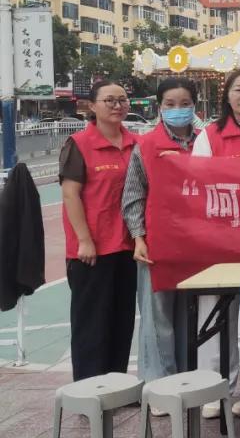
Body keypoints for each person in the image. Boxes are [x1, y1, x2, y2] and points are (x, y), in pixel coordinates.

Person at [191, 69, 240, 418]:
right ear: (227, 95)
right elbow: (196, 181)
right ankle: (213, 388)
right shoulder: (210, 136)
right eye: (238, 90)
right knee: (215, 311)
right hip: (221, 235)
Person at [122, 77, 200, 406]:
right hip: (158, 242)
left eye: (185, 104)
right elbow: (133, 196)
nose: (178, 109)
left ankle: (188, 380)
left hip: (199, 243)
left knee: (191, 314)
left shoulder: (206, 142)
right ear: (159, 107)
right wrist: (138, 237)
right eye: (170, 104)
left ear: (195, 105)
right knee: (158, 317)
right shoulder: (147, 145)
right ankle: (158, 388)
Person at [60, 80, 139, 381]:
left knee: (121, 321)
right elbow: (71, 195)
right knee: (91, 326)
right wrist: (84, 240)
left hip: (127, 247)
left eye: (122, 99)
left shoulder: (136, 144)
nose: (117, 105)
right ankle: (89, 391)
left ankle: (116, 387)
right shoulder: (79, 144)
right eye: (109, 100)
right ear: (92, 106)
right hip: (92, 250)